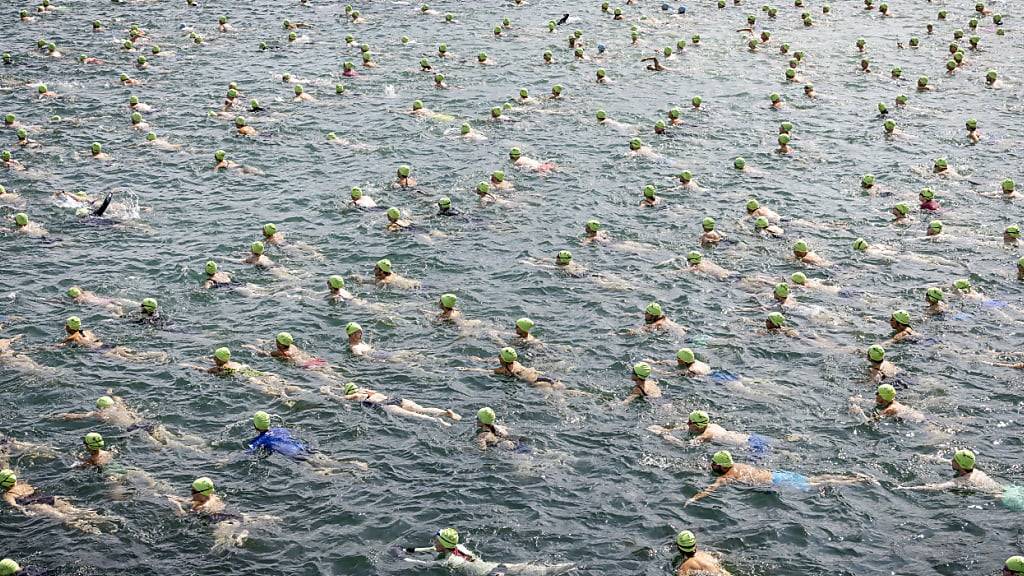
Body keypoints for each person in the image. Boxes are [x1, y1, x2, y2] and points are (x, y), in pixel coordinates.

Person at [685, 451, 873, 505]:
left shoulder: (728, 476)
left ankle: (856, 481)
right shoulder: (738, 465)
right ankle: (851, 477)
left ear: (721, 466)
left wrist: (693, 498)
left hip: (777, 482)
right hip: (778, 474)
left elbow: (710, 489)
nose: (711, 465)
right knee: (815, 478)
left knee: (819, 483)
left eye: (714, 463)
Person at [56, 393, 206, 450]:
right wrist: (110, 393)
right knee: (171, 436)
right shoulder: (120, 406)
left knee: (164, 445)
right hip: (145, 421)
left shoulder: (100, 413)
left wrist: (63, 415)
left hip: (134, 428)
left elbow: (79, 416)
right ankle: (200, 443)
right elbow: (119, 398)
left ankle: (195, 451)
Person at [403, 528, 575, 575]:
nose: (434, 542)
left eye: (437, 540)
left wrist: (405, 559)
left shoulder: (449, 561)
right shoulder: (459, 547)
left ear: (443, 545)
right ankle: (568, 567)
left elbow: (425, 563)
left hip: (489, 575)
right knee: (528, 568)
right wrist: (407, 550)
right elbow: (429, 549)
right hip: (494, 567)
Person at [0, 468, 120, 534]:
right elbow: (36, 490)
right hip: (50, 498)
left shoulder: (7, 494)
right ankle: (103, 518)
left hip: (37, 505)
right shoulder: (24, 485)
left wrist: (26, 512)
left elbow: (15, 505)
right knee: (75, 510)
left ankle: (91, 530)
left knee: (64, 518)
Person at [246, 412, 367, 472]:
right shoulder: (280, 430)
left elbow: (248, 452)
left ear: (255, 425)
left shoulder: (258, 441)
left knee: (317, 472)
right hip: (304, 448)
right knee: (330, 461)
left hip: (295, 456)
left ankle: (345, 475)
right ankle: (355, 464)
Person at [320, 382, 461, 426]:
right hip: (394, 398)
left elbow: (345, 398)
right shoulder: (368, 391)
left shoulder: (357, 395)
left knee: (414, 416)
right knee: (421, 409)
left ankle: (439, 421)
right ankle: (444, 412)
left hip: (385, 404)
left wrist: (328, 393)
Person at [166, 477, 251, 550]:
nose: (191, 493)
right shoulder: (213, 497)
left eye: (193, 491)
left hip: (223, 523)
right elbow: (193, 501)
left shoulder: (202, 507)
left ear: (201, 493)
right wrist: (178, 499)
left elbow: (182, 516)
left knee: (219, 546)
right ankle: (240, 534)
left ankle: (238, 538)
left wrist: (177, 506)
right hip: (235, 517)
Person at [185, 347, 301, 400]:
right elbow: (220, 361)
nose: (213, 359)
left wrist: (190, 366)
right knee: (276, 382)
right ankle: (299, 390)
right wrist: (204, 358)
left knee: (268, 390)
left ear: (218, 359)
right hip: (251, 371)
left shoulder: (219, 369)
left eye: (215, 357)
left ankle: (284, 399)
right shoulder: (231, 362)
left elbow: (204, 370)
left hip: (246, 377)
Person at [650, 410, 772, 456]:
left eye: (690, 422)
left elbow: (686, 446)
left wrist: (667, 437)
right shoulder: (710, 425)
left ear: (698, 426)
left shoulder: (706, 435)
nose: (687, 424)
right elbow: (685, 427)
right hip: (752, 437)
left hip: (751, 446)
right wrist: (666, 429)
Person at [897, 449, 1003, 495]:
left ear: (959, 465)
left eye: (954, 459)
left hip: (996, 495)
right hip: (1002, 488)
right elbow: (947, 461)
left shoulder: (960, 481)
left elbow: (935, 488)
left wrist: (904, 488)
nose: (951, 460)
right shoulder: (973, 469)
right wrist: (926, 457)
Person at [849, 384, 924, 423]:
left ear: (883, 397)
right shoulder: (889, 400)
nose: (875, 394)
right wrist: (859, 400)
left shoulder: (890, 409)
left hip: (921, 422)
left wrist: (859, 412)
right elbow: (874, 402)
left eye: (877, 393)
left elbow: (871, 421)